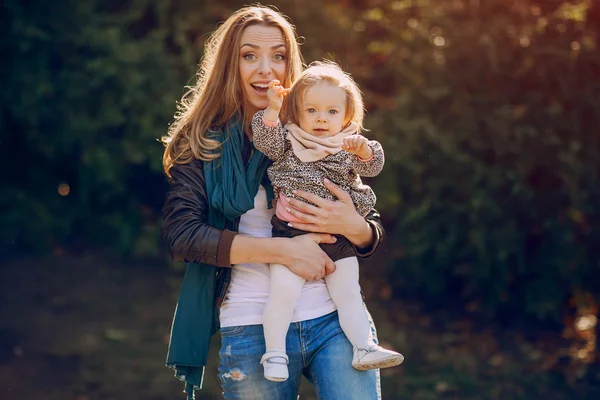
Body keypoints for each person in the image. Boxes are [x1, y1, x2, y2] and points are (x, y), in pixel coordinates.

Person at [161, 5, 389, 400]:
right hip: (252, 323)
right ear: (230, 65)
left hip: (333, 317)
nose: (267, 69)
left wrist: (356, 228)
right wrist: (284, 251)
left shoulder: (316, 124)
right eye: (250, 56)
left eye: (278, 56)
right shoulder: (202, 142)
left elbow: (367, 223)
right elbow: (183, 234)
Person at [252, 62, 404, 382]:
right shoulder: (290, 140)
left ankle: (364, 347)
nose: (322, 118)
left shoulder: (347, 144)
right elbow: (265, 140)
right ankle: (275, 352)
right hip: (292, 232)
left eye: (332, 112)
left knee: (347, 291)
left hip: (338, 235)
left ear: (347, 117)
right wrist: (272, 109)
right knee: (283, 291)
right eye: (312, 110)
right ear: (297, 112)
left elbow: (374, 164)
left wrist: (364, 151)